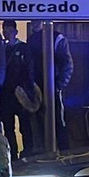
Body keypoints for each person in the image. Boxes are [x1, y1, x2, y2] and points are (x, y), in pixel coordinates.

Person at [25, 21, 74, 153]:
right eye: (33, 20)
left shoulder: (57, 38)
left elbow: (67, 64)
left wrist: (58, 86)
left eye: (38, 20)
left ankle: (64, 155)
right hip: (36, 89)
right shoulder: (31, 39)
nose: (35, 24)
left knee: (58, 123)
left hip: (53, 89)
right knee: (38, 125)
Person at [0, 21, 33, 158]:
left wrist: (28, 89)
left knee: (25, 125)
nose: (6, 32)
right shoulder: (1, 49)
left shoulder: (24, 48)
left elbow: (30, 70)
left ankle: (28, 153)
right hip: (6, 93)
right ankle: (12, 154)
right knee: (8, 127)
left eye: (9, 29)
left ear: (15, 31)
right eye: (4, 30)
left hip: (21, 92)